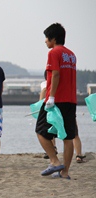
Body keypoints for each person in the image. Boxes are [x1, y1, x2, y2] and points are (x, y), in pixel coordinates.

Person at [35, 23, 77, 180]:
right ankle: (64, 172)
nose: (45, 41)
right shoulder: (72, 55)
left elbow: (56, 74)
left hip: (57, 99)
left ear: (53, 38)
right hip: (71, 100)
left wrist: (51, 97)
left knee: (40, 131)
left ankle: (54, 161)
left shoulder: (54, 52)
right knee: (68, 137)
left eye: (46, 38)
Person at [40, 71, 57, 159]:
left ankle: (51, 149)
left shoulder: (44, 85)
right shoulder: (56, 83)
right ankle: (53, 147)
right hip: (56, 109)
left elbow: (41, 99)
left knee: (47, 131)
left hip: (47, 110)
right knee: (52, 130)